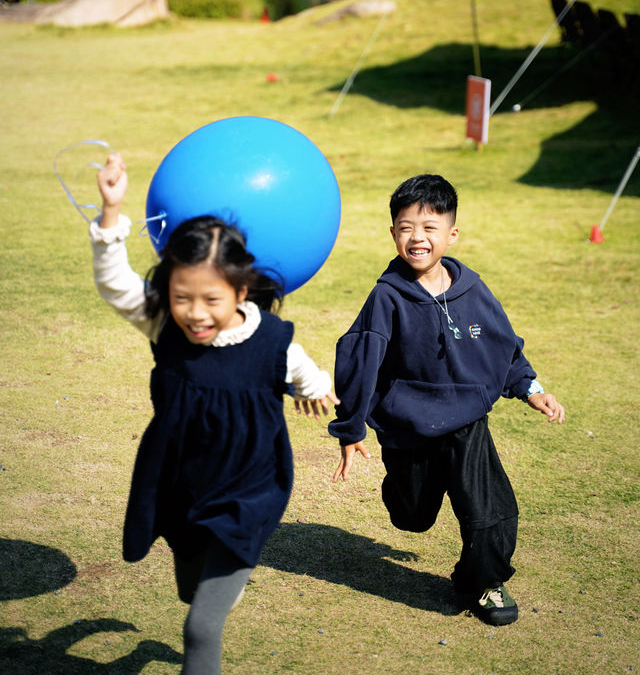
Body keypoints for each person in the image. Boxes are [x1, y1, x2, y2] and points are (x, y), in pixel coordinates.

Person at [91, 152, 338, 675]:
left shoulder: (270, 339)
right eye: (182, 297)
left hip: (249, 488)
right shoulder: (164, 324)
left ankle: (230, 575)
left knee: (200, 626)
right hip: (181, 482)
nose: (195, 313)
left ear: (241, 292)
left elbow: (301, 369)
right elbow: (116, 284)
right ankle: (213, 577)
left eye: (210, 299)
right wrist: (112, 212)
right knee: (190, 585)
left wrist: (316, 388)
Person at [329, 173, 564, 626]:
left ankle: (483, 582)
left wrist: (530, 388)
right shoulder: (386, 297)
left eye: (429, 227)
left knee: (489, 510)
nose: (417, 238)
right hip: (408, 426)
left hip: (466, 419)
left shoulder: (472, 289)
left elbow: (500, 345)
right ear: (393, 233)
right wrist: (350, 427)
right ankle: (404, 490)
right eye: (405, 227)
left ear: (451, 234)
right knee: (412, 517)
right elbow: (361, 360)